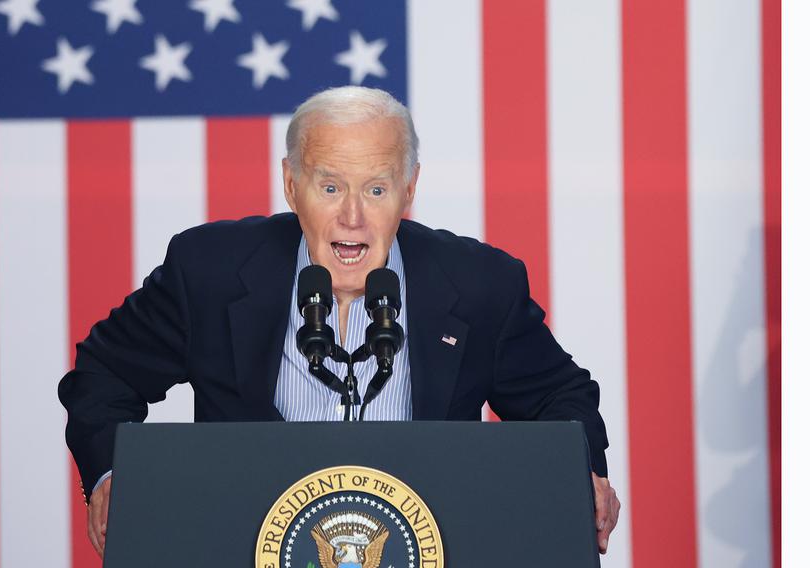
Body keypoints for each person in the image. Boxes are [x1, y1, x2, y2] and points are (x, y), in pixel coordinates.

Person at [58, 86, 621, 558]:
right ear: (291, 185)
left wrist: (583, 472)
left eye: (376, 189)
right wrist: (110, 476)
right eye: (330, 187)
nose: (352, 216)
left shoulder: (477, 284)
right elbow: (105, 373)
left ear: (408, 189)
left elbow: (560, 396)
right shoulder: (210, 271)